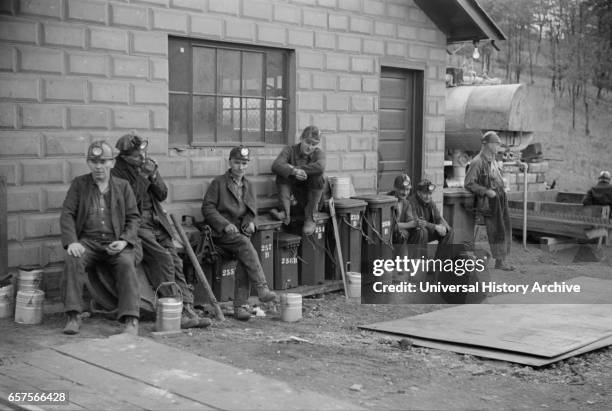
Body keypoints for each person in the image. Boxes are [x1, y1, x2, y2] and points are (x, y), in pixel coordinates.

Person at [112, 133, 210, 329]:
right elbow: (132, 202)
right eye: (136, 156)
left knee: (176, 261)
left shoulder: (144, 166)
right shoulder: (117, 174)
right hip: (137, 225)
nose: (142, 158)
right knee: (163, 259)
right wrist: (144, 175)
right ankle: (175, 310)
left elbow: (163, 193)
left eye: (143, 154)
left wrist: (154, 175)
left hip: (158, 223)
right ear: (124, 157)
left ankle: (188, 307)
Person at [60, 141, 140, 335]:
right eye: (94, 162)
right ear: (88, 163)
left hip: (115, 241)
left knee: (126, 264)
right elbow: (67, 214)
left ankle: (130, 320)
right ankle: (73, 316)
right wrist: (72, 242)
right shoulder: (80, 184)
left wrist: (124, 241)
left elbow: (133, 217)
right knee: (73, 259)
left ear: (112, 163)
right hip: (88, 242)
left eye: (103, 161)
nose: (98, 166)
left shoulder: (123, 186)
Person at [201, 146, 277, 321]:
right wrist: (224, 224)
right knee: (245, 246)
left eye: (244, 163)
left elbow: (252, 212)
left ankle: (241, 307)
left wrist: (252, 224)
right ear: (229, 162)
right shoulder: (218, 183)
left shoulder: (249, 185)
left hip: (240, 235)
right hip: (220, 236)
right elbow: (207, 208)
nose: (240, 167)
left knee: (245, 255)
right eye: (237, 163)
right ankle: (262, 289)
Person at [464, 131, 514, 271]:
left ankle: (502, 259)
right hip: (488, 202)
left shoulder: (492, 161)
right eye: (496, 144)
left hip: (500, 198)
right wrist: (486, 191)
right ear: (487, 144)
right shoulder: (477, 162)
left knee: (505, 227)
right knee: (497, 229)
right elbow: (468, 183)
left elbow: (495, 179)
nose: (498, 146)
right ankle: (500, 261)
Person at [270, 126, 326, 235]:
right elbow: (276, 165)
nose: (310, 147)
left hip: (309, 201)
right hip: (292, 200)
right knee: (282, 174)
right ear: (301, 138)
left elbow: (321, 167)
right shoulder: (289, 150)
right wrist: (294, 172)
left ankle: (310, 218)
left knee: (318, 177)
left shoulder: (318, 153)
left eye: (314, 144)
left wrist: (296, 169)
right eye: (308, 142)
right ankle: (285, 213)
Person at [396, 179, 454, 261]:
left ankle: (438, 264)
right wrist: (436, 227)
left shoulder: (430, 202)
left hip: (426, 229)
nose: (428, 196)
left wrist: (445, 227)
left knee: (449, 231)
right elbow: (418, 223)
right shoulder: (411, 202)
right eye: (425, 193)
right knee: (423, 231)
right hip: (413, 233)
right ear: (419, 193)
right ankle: (421, 262)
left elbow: (438, 218)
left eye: (430, 193)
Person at [387, 174, 412, 245]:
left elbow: (410, 220)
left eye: (407, 189)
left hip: (399, 236)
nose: (405, 193)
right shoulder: (386, 201)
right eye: (402, 189)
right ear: (395, 187)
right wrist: (410, 224)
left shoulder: (407, 203)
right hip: (386, 235)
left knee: (420, 231)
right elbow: (390, 225)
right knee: (402, 234)